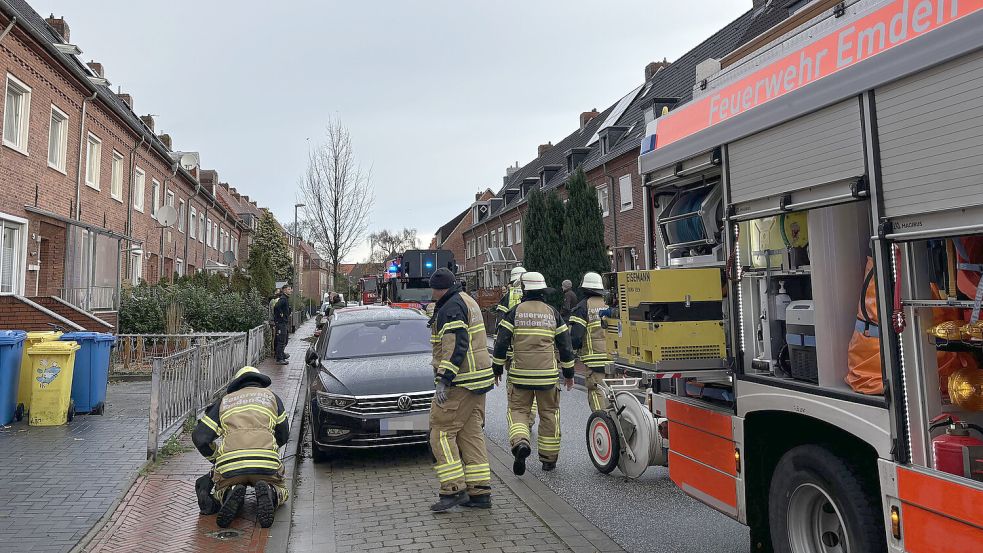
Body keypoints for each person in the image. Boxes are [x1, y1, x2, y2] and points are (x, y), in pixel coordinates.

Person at [492, 272, 575, 475]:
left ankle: (521, 443)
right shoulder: (552, 312)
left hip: (520, 375)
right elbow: (565, 344)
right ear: (543, 291)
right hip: (547, 376)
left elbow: (501, 341)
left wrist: (497, 368)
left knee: (519, 412)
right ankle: (548, 460)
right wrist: (569, 373)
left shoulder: (515, 312)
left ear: (524, 290)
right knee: (549, 415)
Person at [428, 267, 496, 512]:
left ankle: (453, 489)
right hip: (477, 381)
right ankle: (479, 493)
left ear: (439, 288)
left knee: (441, 432)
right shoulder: (467, 300)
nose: (431, 293)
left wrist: (444, 379)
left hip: (461, 381)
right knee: (470, 435)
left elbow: (455, 345)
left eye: (433, 289)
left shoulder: (451, 307)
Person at [192, 366, 289, 529]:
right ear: (259, 381)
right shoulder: (272, 398)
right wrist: (269, 449)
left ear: (237, 383)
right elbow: (284, 434)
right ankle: (271, 493)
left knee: (221, 488)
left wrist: (217, 458)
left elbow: (200, 437)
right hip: (266, 464)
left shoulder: (225, 400)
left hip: (231, 466)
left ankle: (229, 493)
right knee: (282, 488)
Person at [570, 272, 613, 411]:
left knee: (596, 391)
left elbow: (576, 336)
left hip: (594, 360)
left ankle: (603, 423)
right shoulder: (609, 304)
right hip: (613, 358)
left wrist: (571, 353)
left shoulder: (583, 306)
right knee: (612, 393)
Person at [273, 284, 292, 365]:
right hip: (281, 323)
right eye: (288, 289)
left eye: (290, 289)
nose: (290, 290)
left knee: (285, 339)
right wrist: (281, 314)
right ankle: (279, 358)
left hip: (283, 322)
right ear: (284, 290)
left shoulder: (285, 299)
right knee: (281, 340)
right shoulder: (283, 299)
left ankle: (282, 354)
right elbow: (276, 307)